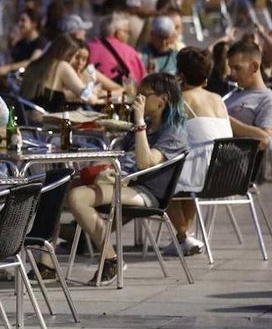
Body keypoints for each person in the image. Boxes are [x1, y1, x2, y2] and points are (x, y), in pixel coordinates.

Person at [65, 72, 189, 285]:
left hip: (147, 191)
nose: (137, 99)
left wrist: (139, 122)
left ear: (163, 99)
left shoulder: (173, 131)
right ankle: (47, 263)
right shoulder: (147, 125)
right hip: (125, 181)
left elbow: (146, 163)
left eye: (143, 94)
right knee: (62, 188)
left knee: (78, 198)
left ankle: (110, 259)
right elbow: (118, 153)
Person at [172, 47, 233, 256]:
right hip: (229, 173)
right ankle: (185, 237)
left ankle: (183, 236)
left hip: (203, 174)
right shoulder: (218, 98)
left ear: (180, 75)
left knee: (161, 177)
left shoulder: (181, 100)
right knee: (184, 172)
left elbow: (166, 133)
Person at [224, 38, 272, 152]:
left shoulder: (269, 100)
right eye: (230, 68)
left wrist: (225, 120)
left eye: (237, 68)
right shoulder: (232, 94)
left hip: (236, 165)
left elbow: (266, 141)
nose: (231, 74)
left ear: (254, 67)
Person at [20, 35, 101, 110]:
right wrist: (93, 92)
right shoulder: (62, 66)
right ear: (68, 53)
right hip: (48, 121)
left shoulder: (34, 64)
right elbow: (90, 99)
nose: (74, 61)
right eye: (75, 56)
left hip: (27, 119)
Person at [88, 11, 147, 85]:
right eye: (127, 31)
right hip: (118, 93)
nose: (129, 35)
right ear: (118, 33)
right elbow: (142, 80)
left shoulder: (88, 47)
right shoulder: (129, 52)